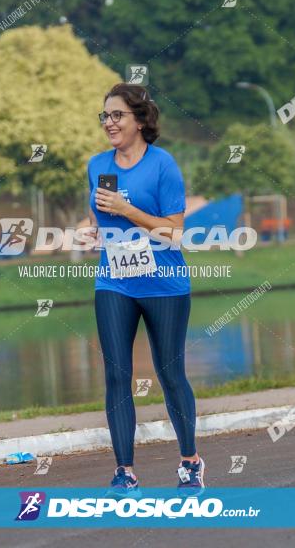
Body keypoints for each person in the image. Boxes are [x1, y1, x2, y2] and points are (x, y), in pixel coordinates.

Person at [85, 82, 204, 498]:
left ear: (139, 120)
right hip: (114, 282)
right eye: (105, 116)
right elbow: (100, 219)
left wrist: (129, 211)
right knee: (117, 376)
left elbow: (174, 233)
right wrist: (88, 233)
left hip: (164, 286)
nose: (109, 123)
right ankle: (125, 472)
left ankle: (190, 462)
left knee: (170, 374)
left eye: (117, 115)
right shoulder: (97, 164)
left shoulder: (163, 165)